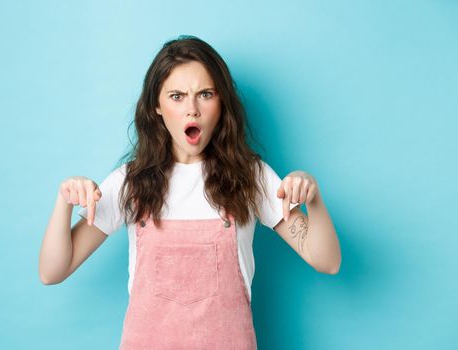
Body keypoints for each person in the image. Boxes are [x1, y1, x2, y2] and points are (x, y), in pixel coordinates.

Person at [39, 35, 342, 350]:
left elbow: (327, 261)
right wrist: (64, 202)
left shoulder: (251, 177)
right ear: (156, 105)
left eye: (205, 94)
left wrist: (314, 200)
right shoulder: (130, 183)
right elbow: (52, 271)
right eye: (177, 96)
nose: (192, 110)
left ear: (221, 102)